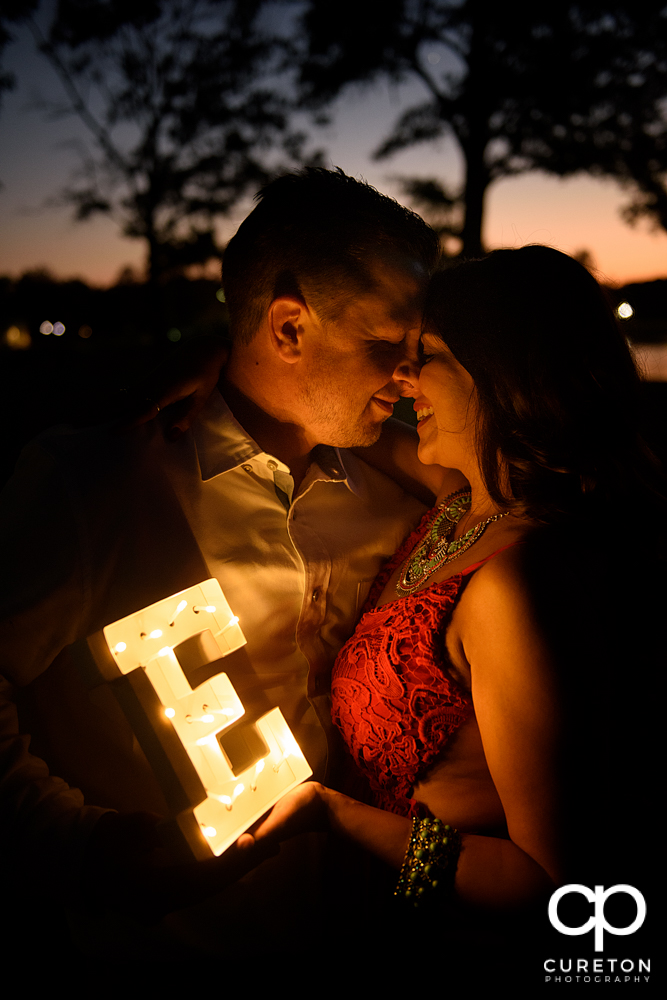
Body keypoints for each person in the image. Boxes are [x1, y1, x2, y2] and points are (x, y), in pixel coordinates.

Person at [0, 168, 440, 960]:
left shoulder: (395, 494)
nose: (408, 376)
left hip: (366, 950)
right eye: (385, 346)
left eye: (418, 351)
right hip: (170, 967)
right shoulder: (97, 485)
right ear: (289, 329)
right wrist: (82, 847)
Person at [236, 246, 664, 961]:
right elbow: (339, 423)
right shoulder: (459, 504)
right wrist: (217, 379)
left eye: (426, 354)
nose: (402, 378)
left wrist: (332, 817)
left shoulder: (515, 582)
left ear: (500, 376)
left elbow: (549, 881)